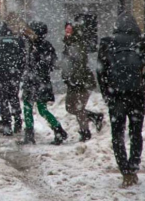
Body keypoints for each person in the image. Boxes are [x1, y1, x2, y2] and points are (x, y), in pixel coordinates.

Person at [98, 13, 145, 188]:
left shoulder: (108, 42)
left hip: (116, 94)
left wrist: (106, 93)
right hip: (136, 95)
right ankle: (133, 167)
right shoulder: (141, 41)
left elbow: (101, 71)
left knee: (117, 134)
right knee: (135, 132)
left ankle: (124, 169)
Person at [20, 21, 68, 145]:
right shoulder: (36, 45)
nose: (28, 33)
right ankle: (57, 131)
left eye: (31, 31)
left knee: (34, 108)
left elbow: (49, 63)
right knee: (33, 108)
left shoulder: (40, 46)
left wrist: (35, 70)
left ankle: (56, 131)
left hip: (37, 82)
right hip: (38, 82)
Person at [62, 22, 104, 141]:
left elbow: (79, 65)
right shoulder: (68, 43)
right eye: (66, 29)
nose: (67, 31)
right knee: (70, 107)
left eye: (70, 29)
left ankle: (85, 133)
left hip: (81, 82)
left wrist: (75, 80)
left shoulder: (77, 44)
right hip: (72, 81)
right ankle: (94, 116)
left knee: (78, 108)